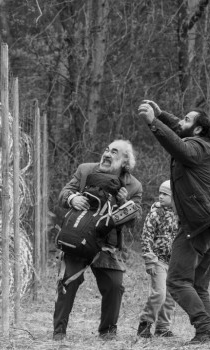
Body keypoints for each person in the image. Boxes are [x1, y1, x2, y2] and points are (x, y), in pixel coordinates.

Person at [137, 100, 210, 344]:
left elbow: (180, 147)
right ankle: (208, 332)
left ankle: (206, 328)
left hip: (196, 226)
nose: (181, 122)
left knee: (176, 281)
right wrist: (162, 114)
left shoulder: (195, 147)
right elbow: (179, 127)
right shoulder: (204, 144)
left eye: (188, 120)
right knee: (198, 286)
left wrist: (153, 123)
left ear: (197, 130)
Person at [53, 139, 143, 341]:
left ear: (125, 162)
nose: (107, 154)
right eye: (106, 149)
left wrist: (123, 201)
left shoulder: (134, 186)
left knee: (114, 285)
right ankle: (58, 333)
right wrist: (72, 199)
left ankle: (107, 332)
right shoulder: (85, 170)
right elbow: (63, 194)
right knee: (67, 281)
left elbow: (133, 222)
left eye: (114, 152)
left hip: (105, 243)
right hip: (77, 237)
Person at [137, 180, 178, 338]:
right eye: (160, 193)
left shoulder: (179, 214)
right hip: (158, 260)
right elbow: (146, 237)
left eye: (165, 194)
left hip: (173, 261)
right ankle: (145, 324)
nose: (160, 197)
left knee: (170, 296)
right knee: (159, 293)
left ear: (174, 197)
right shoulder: (155, 213)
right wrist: (150, 259)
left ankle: (163, 327)